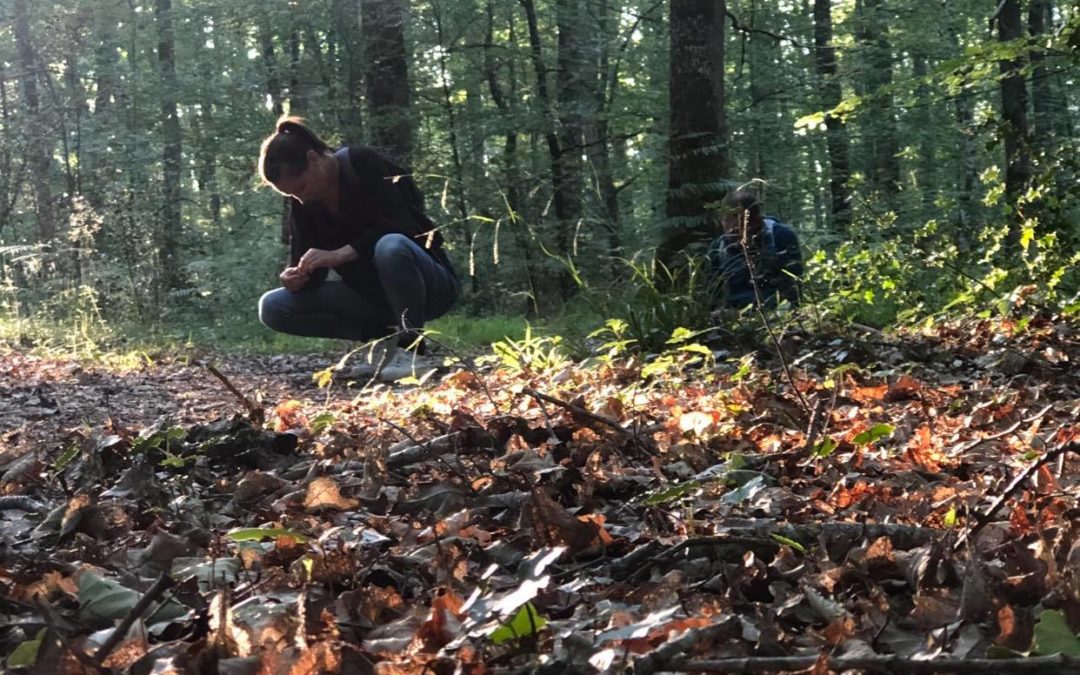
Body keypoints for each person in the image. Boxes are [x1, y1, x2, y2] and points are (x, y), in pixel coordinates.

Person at [257, 116, 459, 380]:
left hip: (430, 286)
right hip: (372, 298)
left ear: (313, 159)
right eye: (292, 195)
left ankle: (412, 350)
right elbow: (311, 268)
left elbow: (406, 227)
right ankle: (383, 344)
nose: (300, 198)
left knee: (391, 245)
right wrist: (296, 278)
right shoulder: (304, 204)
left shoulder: (363, 164)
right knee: (273, 306)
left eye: (301, 187)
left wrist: (341, 254)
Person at [707, 189, 803, 310]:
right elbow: (713, 292)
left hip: (775, 311)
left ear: (756, 220)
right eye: (727, 220)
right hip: (733, 315)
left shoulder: (780, 236)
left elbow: (792, 284)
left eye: (738, 220)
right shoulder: (718, 247)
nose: (731, 227)